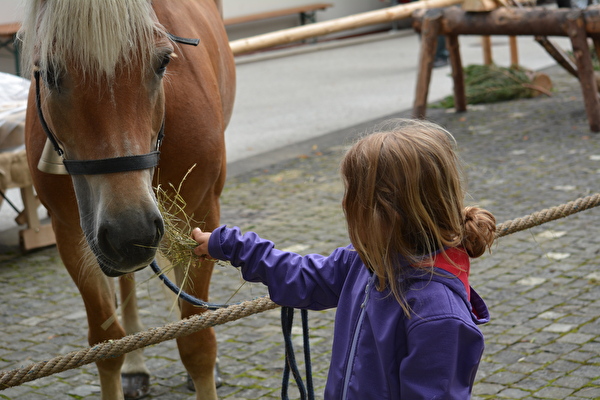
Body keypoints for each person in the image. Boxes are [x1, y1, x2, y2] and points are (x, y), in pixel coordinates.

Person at [192, 118, 496, 399]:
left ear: (385, 212)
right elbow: (306, 278)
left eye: (353, 197)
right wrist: (231, 245)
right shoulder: (368, 263)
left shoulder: (438, 317)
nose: (344, 204)